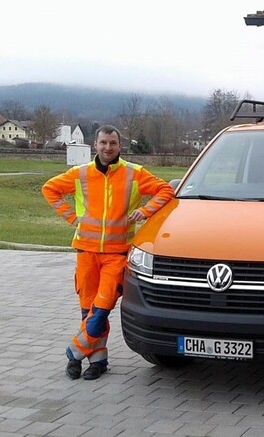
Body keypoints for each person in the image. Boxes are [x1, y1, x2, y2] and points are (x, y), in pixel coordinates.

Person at [42, 125, 174, 380]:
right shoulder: (81, 173)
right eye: (103, 142)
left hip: (117, 253)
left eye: (112, 143)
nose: (107, 147)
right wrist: (71, 217)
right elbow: (50, 189)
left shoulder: (133, 173)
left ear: (120, 146)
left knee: (101, 309)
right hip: (86, 251)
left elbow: (166, 191)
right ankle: (98, 360)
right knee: (88, 309)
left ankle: (74, 352)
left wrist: (145, 212)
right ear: (95, 144)